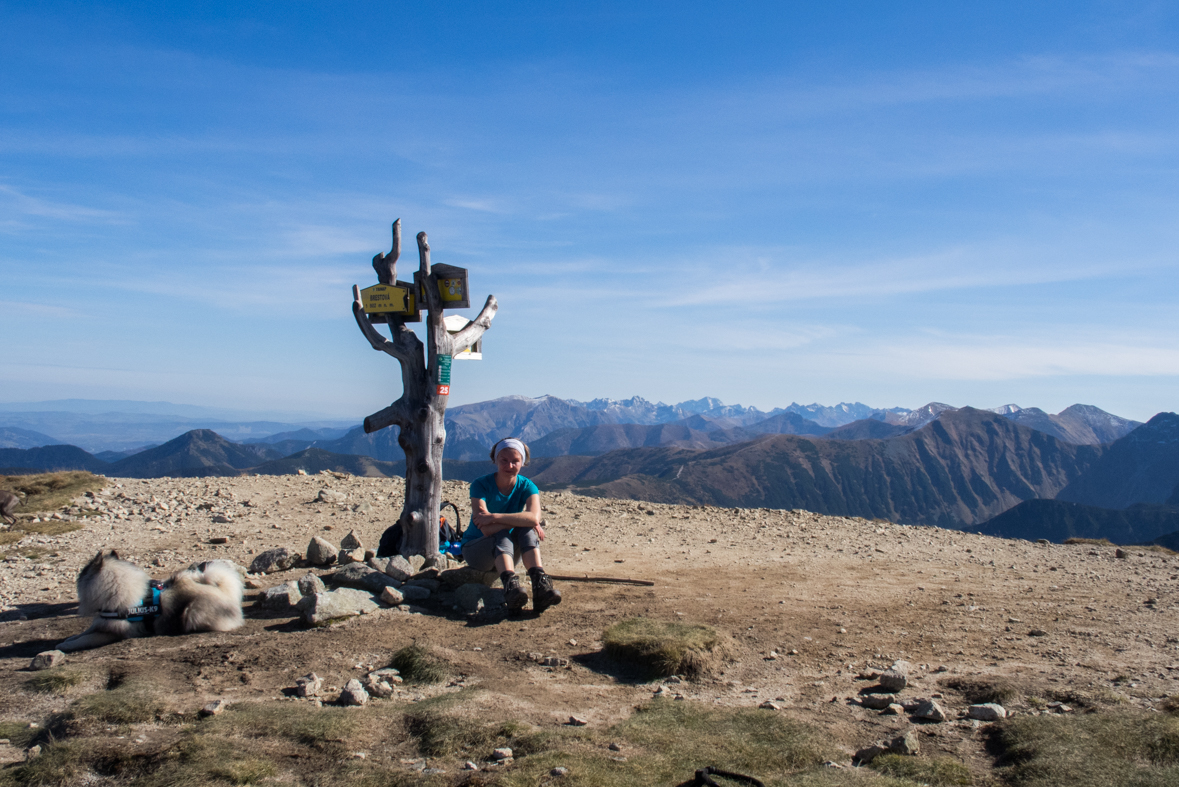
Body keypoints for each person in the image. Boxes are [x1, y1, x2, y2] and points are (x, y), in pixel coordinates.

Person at [464, 438, 562, 613]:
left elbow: (533, 518)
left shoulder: (527, 486)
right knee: (505, 533)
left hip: (508, 551)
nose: (509, 465)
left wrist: (494, 517)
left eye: (515, 461)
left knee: (527, 530)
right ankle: (510, 587)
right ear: (495, 459)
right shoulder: (480, 485)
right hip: (477, 551)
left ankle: (540, 586)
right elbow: (485, 529)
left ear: (523, 462)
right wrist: (521, 521)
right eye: (504, 460)